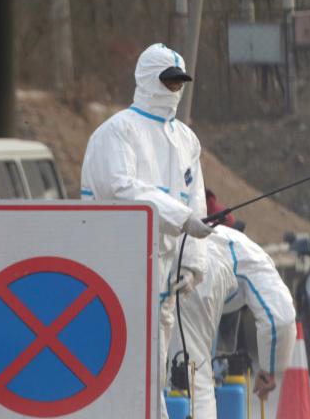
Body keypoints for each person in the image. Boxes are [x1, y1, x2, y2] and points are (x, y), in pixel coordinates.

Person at [80, 43, 212, 418]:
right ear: (146, 80)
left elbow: (196, 202)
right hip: (115, 272)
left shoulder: (186, 139)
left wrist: (192, 264)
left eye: (179, 82)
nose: (174, 89)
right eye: (167, 81)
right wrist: (179, 216)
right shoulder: (117, 133)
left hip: (164, 279)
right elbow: (122, 188)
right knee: (119, 369)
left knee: (153, 372)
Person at [169, 224, 296, 418]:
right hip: (199, 276)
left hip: (163, 256)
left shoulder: (232, 242)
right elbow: (280, 317)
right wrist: (269, 370)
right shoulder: (255, 260)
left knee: (160, 378)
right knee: (195, 381)